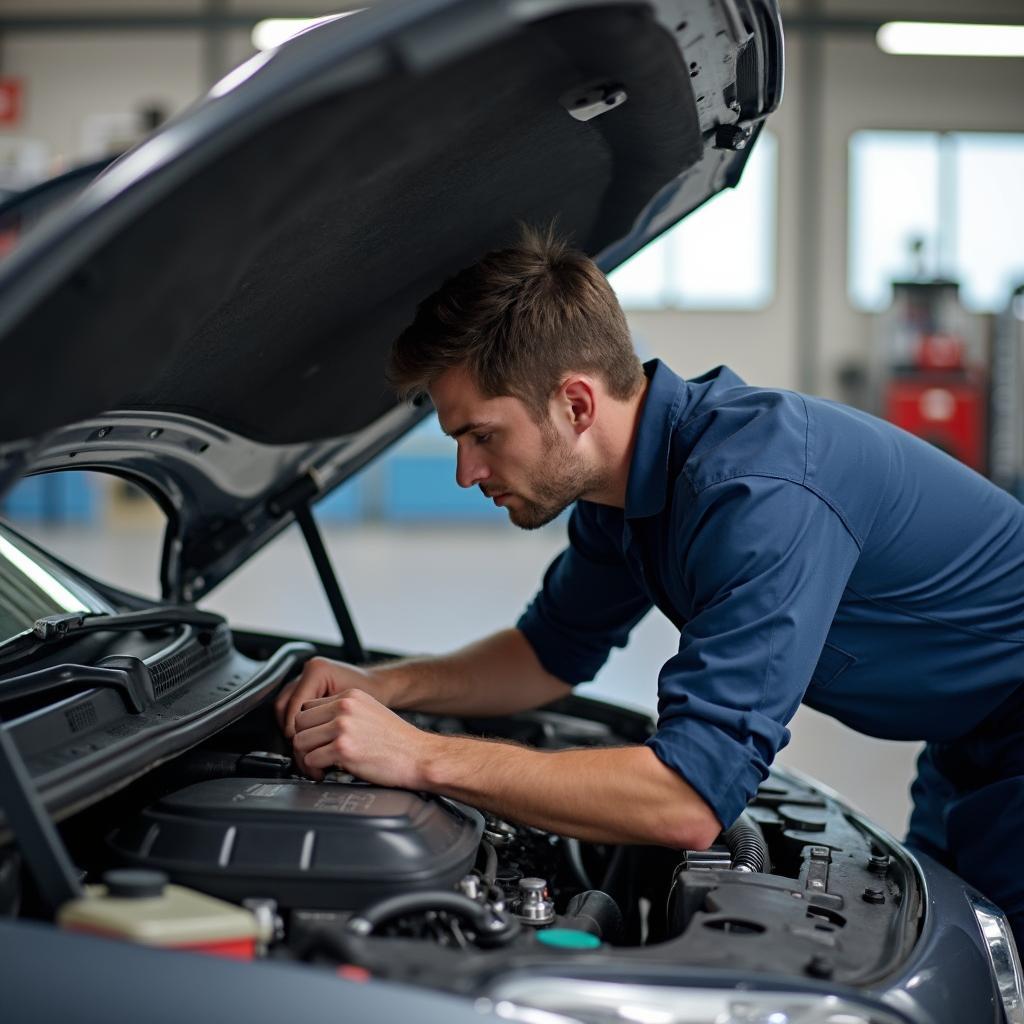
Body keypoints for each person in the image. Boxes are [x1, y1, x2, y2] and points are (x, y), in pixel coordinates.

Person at [275, 225, 1024, 940]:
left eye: (482, 435)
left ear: (575, 404)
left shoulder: (757, 494)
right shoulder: (621, 499)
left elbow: (687, 799)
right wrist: (383, 688)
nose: (467, 471)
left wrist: (419, 755)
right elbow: (546, 656)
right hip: (965, 740)